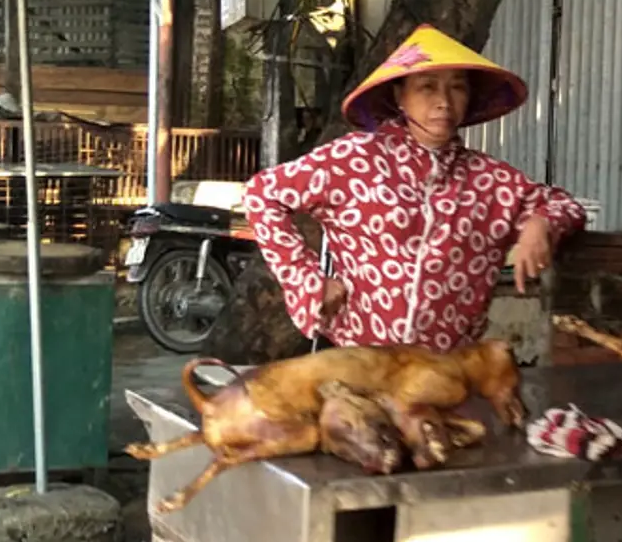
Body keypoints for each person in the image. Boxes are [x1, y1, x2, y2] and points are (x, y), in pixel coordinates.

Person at [243, 24, 587, 351]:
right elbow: (262, 194)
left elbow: (563, 205)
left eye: (457, 87)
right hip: (363, 363)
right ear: (400, 96)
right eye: (427, 86)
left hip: (448, 372)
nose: (444, 101)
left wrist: (540, 225)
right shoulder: (354, 159)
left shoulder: (492, 181)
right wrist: (306, 280)